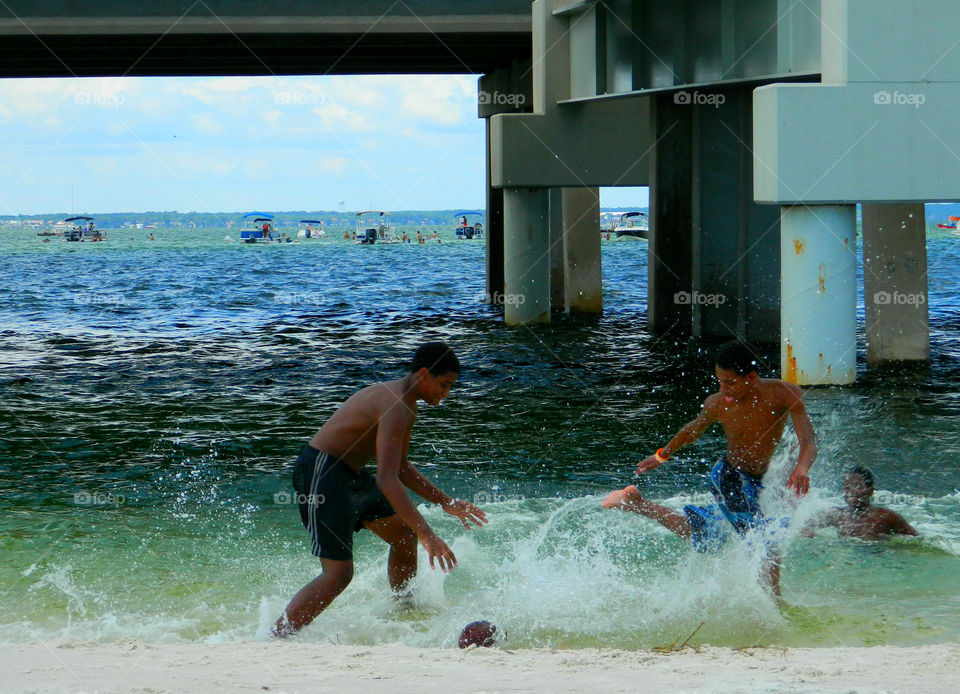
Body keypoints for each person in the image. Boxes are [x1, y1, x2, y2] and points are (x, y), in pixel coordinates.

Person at [273, 342, 487, 637]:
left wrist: (446, 502)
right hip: (322, 473)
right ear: (424, 374)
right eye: (444, 384)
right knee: (338, 575)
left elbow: (399, 467)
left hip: (351, 475)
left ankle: (404, 610)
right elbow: (387, 479)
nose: (446, 393)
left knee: (402, 534)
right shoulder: (396, 404)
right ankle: (278, 636)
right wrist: (428, 535)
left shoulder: (406, 407)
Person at [601, 341, 817, 597]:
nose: (723, 389)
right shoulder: (718, 403)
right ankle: (774, 606)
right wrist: (661, 456)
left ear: (751, 376)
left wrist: (801, 468)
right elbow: (692, 430)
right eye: (719, 381)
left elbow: (808, 441)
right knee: (765, 539)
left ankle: (635, 503)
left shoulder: (785, 393)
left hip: (759, 480)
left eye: (730, 382)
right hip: (729, 478)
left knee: (706, 537)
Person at [805, 467, 918, 540]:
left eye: (857, 486)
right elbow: (806, 526)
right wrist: (809, 533)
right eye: (847, 488)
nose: (850, 492)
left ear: (870, 491)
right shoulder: (836, 515)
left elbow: (917, 540)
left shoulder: (886, 516)